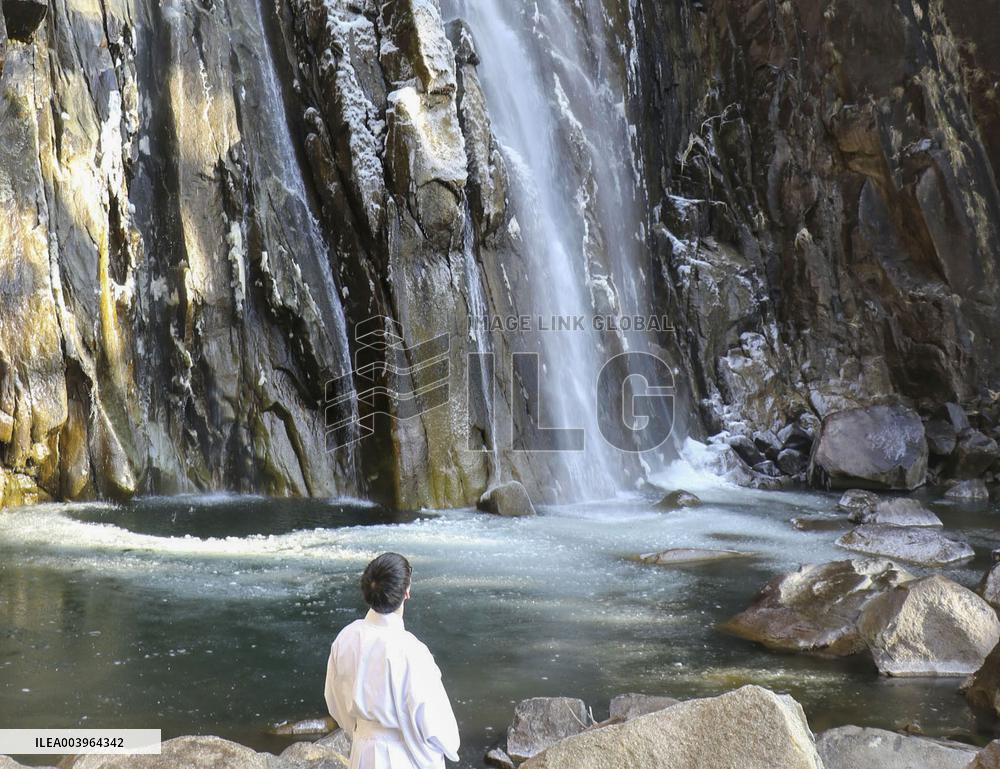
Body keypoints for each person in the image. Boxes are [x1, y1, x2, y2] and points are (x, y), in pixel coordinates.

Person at [324, 553, 460, 769]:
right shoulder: (412, 650)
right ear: (407, 592)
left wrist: (362, 733)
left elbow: (334, 700)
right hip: (402, 756)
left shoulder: (346, 638)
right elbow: (437, 727)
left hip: (362, 751)